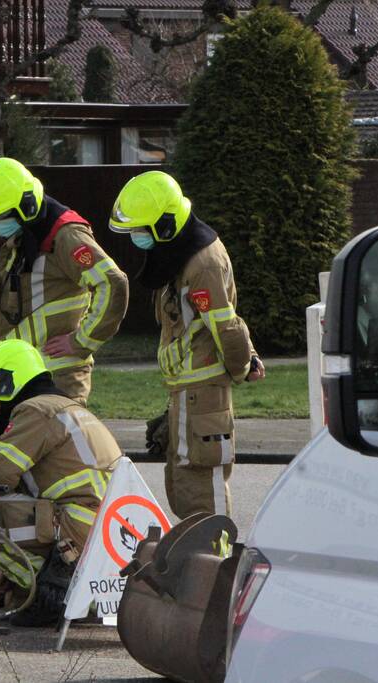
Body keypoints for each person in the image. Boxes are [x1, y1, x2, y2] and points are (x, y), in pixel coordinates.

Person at [108, 171, 265, 519]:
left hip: (203, 393)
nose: (136, 239)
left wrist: (243, 365)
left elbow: (225, 325)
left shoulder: (202, 263)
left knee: (200, 489)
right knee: (182, 485)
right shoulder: (180, 252)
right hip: (188, 392)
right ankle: (197, 563)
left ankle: (216, 562)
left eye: (141, 231)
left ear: (166, 226)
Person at [0, 158, 129, 404]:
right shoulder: (11, 238)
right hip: (15, 374)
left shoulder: (65, 235)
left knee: (57, 441)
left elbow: (112, 283)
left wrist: (82, 340)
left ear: (27, 206)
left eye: (3, 217)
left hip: (56, 374)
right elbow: (5, 300)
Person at [0, 339, 121, 626]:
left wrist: (10, 562)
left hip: (78, 527)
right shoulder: (65, 406)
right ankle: (51, 587)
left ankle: (50, 592)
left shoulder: (36, 410)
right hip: (104, 527)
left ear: (7, 382)